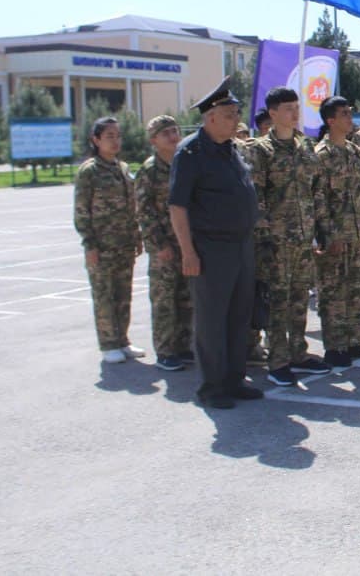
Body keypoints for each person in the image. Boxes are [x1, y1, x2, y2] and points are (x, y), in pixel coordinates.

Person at [168, 80, 262, 409]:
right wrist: (188, 252)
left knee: (238, 316)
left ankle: (234, 379)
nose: (235, 119)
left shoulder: (231, 150)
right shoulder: (191, 152)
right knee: (211, 320)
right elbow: (178, 206)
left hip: (240, 246)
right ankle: (212, 387)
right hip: (210, 249)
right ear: (209, 117)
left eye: (236, 113)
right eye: (228, 114)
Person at [248, 86, 329, 388]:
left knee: (298, 298)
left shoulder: (305, 147)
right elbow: (255, 198)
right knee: (277, 301)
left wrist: (321, 228)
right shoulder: (260, 151)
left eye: (297, 107)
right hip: (276, 242)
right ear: (272, 113)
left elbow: (315, 190)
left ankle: (298, 353)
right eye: (288, 108)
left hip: (303, 237)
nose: (295, 113)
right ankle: (277, 360)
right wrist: (264, 237)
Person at [75, 116, 143, 365]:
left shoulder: (122, 168)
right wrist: (89, 244)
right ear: (96, 140)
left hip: (123, 243)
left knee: (123, 294)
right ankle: (108, 343)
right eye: (109, 137)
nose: (115, 141)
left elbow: (131, 206)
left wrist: (136, 237)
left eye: (118, 136)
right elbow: (82, 211)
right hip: (101, 246)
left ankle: (122, 340)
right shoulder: (89, 171)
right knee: (104, 295)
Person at [313, 96, 360, 367]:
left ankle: (353, 341)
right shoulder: (321, 156)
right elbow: (318, 200)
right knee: (333, 292)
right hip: (335, 235)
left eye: (350, 112)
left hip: (357, 232)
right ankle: (334, 346)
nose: (350, 118)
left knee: (355, 289)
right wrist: (327, 236)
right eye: (344, 114)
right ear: (330, 121)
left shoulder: (353, 151)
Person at [135, 114, 193, 371]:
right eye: (165, 133)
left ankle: (183, 345)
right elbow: (144, 213)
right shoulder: (149, 170)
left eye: (174, 130)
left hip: (187, 243)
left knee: (185, 297)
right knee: (163, 299)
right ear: (154, 141)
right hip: (165, 246)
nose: (173, 136)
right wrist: (160, 245)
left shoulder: (185, 163)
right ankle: (165, 350)